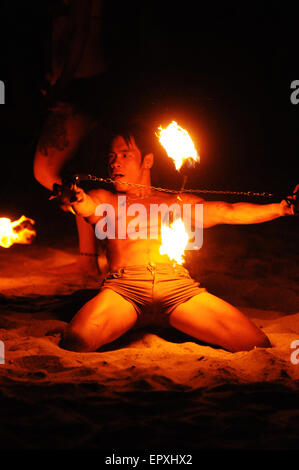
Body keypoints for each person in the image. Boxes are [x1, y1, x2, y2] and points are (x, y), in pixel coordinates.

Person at [56, 124, 297, 353]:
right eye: (111, 157)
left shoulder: (175, 202)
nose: (114, 162)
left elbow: (227, 211)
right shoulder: (106, 199)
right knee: (76, 341)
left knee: (256, 342)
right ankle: (136, 320)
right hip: (125, 290)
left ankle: (162, 321)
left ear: (147, 160)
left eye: (124, 154)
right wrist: (77, 198)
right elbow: (87, 207)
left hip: (178, 290)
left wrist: (281, 208)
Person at [33, 0, 107, 278]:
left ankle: (96, 251)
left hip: (80, 85)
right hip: (81, 83)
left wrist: (62, 85)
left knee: (45, 170)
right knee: (76, 175)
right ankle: (89, 256)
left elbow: (80, 31)